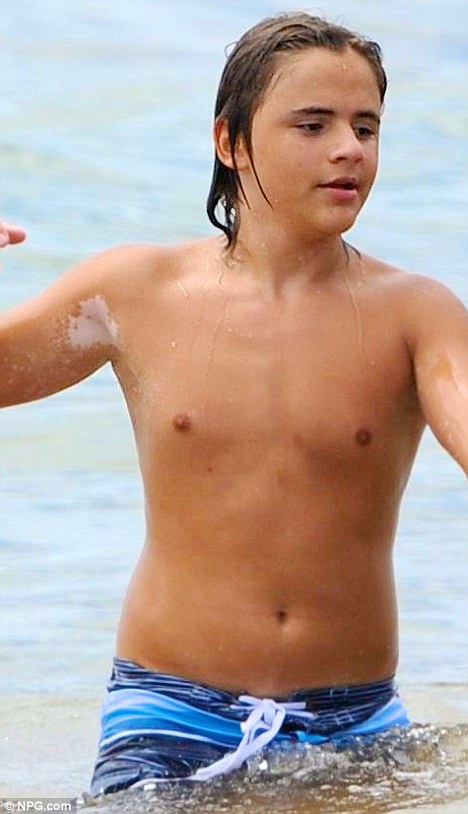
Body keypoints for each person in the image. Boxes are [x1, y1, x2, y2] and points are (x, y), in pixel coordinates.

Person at [1, 11, 467, 797]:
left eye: (366, 127)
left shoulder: (416, 314)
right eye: (313, 125)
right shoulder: (135, 292)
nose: (350, 148)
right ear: (231, 142)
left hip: (356, 725)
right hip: (169, 713)